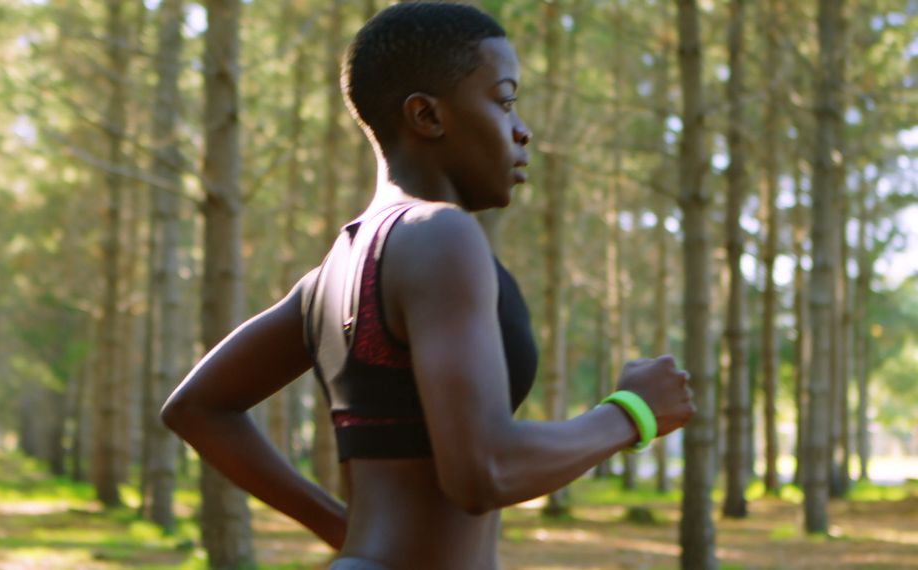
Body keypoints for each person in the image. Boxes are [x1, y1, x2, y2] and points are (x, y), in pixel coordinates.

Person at [161, 3, 695, 569]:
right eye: (504, 99)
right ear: (427, 116)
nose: (522, 128)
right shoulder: (441, 235)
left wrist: (348, 536)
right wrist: (632, 412)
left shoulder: (333, 273)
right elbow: (483, 470)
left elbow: (198, 408)